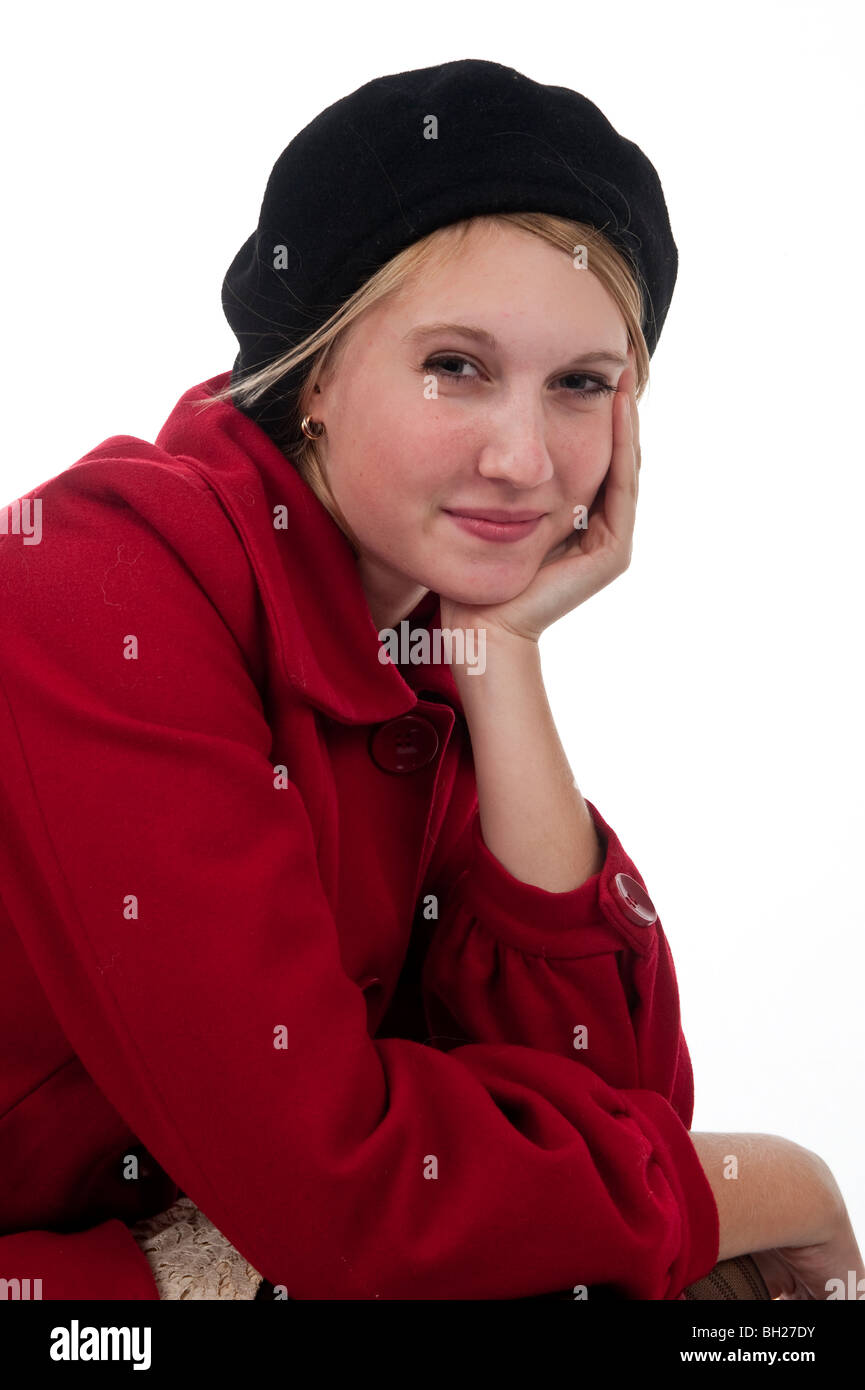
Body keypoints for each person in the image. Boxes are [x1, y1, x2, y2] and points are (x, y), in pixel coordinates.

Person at [0, 58, 860, 1302]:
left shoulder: (415, 644)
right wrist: (779, 1182)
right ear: (312, 372)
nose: (522, 458)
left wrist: (500, 662)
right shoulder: (103, 581)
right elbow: (345, 1199)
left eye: (581, 385)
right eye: (454, 365)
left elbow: (616, 1105)